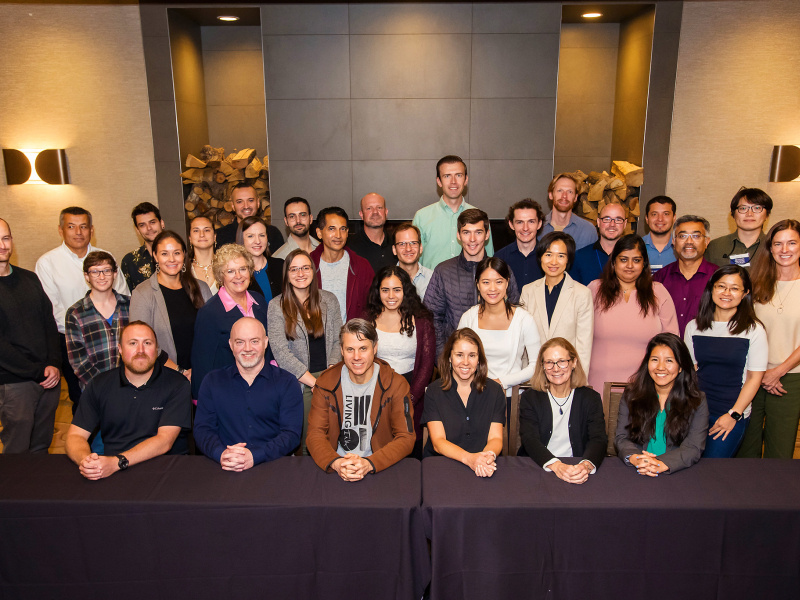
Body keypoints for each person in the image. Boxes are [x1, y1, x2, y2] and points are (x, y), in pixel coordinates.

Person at [65, 321, 192, 479]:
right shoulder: (99, 385)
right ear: (120, 349)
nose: (141, 350)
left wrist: (117, 462)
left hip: (165, 472)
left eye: (147, 343)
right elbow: (75, 436)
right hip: (113, 473)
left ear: (156, 349)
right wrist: (87, 462)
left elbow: (164, 441)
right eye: (133, 343)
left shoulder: (177, 384)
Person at [35, 207, 129, 413]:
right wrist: (81, 325)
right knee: (83, 398)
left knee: (126, 393)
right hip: (70, 339)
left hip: (116, 334)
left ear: (91, 230)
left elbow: (123, 295)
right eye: (71, 226)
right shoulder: (47, 263)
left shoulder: (105, 257)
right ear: (60, 230)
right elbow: (51, 308)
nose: (78, 232)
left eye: (83, 226)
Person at [306, 319, 415, 480]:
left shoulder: (396, 384)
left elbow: (406, 437)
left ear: (375, 348)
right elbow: (315, 434)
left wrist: (370, 463)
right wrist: (336, 462)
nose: (356, 357)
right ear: (341, 350)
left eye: (363, 348)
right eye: (350, 349)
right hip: (337, 468)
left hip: (380, 467)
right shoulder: (326, 383)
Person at [194, 317, 303, 469]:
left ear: (265, 342)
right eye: (240, 342)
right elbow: (203, 429)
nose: (247, 348)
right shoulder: (212, 381)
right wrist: (221, 454)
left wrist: (255, 456)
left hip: (273, 466)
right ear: (231, 345)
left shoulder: (287, 382)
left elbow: (291, 434)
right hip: (226, 466)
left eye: (254, 341)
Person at [684, 266, 767, 457]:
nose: (727, 293)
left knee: (714, 468)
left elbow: (754, 378)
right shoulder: (694, 327)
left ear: (745, 293)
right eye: (721, 286)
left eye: (735, 288)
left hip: (729, 414)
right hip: (696, 412)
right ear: (711, 288)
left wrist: (734, 415)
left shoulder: (753, 330)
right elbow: (691, 372)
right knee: (688, 465)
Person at [267, 249, 342, 454]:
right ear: (287, 274)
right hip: (300, 382)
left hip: (330, 376)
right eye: (294, 269)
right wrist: (315, 384)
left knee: (334, 437)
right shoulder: (276, 306)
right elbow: (280, 352)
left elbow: (338, 339)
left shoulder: (329, 300)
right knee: (309, 442)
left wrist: (329, 376)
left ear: (313, 271)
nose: (300, 273)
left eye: (305, 268)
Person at [738, 220, 800, 459]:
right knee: (745, 448)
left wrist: (777, 372)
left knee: (780, 451)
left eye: (792, 243)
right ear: (770, 248)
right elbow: (743, 329)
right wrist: (761, 372)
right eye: (778, 244)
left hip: (790, 379)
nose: (785, 249)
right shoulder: (755, 282)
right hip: (752, 374)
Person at [587, 234, 679, 395]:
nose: (629, 265)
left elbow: (671, 343)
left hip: (645, 387)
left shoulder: (658, 292)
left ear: (644, 264)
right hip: (597, 385)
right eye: (623, 259)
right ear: (613, 262)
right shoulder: (594, 290)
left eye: (636, 260)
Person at [0, 218, 61, 454]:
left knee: (41, 448)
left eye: (6, 238)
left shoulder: (30, 279)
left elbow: (49, 323)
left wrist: (54, 364)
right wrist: (37, 371)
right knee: (17, 452)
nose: (2, 245)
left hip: (48, 378)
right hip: (14, 383)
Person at [425, 208, 520, 357]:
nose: (472, 239)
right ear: (458, 235)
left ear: (487, 235)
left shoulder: (502, 270)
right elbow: (432, 318)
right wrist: (444, 358)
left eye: (478, 232)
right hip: (456, 359)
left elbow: (514, 312)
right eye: (466, 232)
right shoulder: (443, 271)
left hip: (495, 357)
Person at [364, 266, 435, 458]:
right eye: (385, 290)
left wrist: (409, 399)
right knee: (378, 450)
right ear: (377, 291)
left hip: (412, 391)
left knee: (409, 449)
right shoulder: (367, 319)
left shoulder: (422, 321)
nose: (391, 296)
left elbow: (427, 366)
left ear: (406, 291)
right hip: (375, 392)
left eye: (397, 289)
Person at [615, 332, 709, 475]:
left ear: (681, 366)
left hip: (676, 471)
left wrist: (661, 463)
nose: (660, 367)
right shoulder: (631, 395)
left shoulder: (697, 400)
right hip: (637, 469)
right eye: (655, 359)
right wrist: (636, 458)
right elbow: (621, 438)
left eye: (669, 361)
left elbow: (693, 446)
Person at [518, 338, 607, 483]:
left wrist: (585, 466)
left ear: (574, 363)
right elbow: (530, 439)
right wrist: (557, 466)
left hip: (577, 466)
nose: (556, 368)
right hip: (538, 466)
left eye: (562, 361)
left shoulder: (591, 398)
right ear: (542, 366)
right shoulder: (530, 398)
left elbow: (598, 439)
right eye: (549, 362)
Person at [421, 328, 505, 477]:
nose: (465, 362)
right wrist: (470, 459)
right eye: (459, 355)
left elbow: (496, 438)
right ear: (449, 357)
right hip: (442, 466)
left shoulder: (495, 391)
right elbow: (438, 442)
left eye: (472, 355)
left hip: (483, 465)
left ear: (479, 359)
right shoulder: (434, 391)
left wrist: (486, 458)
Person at [191, 244, 271, 398]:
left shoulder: (259, 301)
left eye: (242, 269)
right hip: (228, 392)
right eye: (230, 271)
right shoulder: (209, 313)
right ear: (220, 276)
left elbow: (267, 346)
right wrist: (203, 402)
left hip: (262, 388)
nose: (238, 276)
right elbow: (202, 363)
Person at [131, 231, 212, 382]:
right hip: (164, 378)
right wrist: (179, 371)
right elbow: (141, 342)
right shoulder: (142, 293)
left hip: (203, 374)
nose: (172, 259)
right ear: (155, 256)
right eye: (164, 254)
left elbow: (213, 332)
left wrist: (199, 369)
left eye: (177, 253)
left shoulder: (202, 288)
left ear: (184, 255)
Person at [457, 257, 540, 398]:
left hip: (511, 397)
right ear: (477, 284)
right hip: (474, 395)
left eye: (499, 282)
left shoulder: (524, 319)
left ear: (507, 283)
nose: (492, 288)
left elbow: (536, 365)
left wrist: (501, 382)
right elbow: (456, 358)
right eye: (486, 282)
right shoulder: (468, 317)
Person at [519, 232, 594, 371]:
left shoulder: (582, 294)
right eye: (548, 254)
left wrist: (579, 379)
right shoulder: (528, 291)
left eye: (561, 256)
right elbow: (522, 340)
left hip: (566, 373)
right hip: (533, 373)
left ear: (568, 260)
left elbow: (584, 345)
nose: (553, 262)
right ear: (540, 257)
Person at [412, 155, 494, 270]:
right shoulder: (422, 217)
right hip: (431, 281)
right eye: (447, 176)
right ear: (439, 181)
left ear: (466, 180)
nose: (453, 182)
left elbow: (489, 260)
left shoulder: (479, 217)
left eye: (458, 175)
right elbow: (413, 262)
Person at [65, 252, 130, 389]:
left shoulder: (130, 305)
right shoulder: (75, 313)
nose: (101, 276)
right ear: (86, 276)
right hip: (95, 389)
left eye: (106, 270)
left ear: (115, 273)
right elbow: (78, 361)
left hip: (130, 386)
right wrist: (105, 387)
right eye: (95, 272)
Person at [654, 215, 718, 336]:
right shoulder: (660, 278)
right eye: (682, 236)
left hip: (704, 345)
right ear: (674, 241)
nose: (689, 242)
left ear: (706, 242)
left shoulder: (718, 278)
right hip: (668, 345)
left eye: (696, 236)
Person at [310, 206, 374, 322]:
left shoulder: (362, 266)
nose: (338, 235)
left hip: (353, 332)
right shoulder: (308, 265)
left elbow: (373, 306)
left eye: (343, 229)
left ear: (347, 232)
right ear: (319, 233)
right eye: (332, 229)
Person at [706, 188, 773, 268]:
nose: (749, 214)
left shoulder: (775, 246)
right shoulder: (715, 246)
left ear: (767, 215)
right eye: (743, 208)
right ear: (733, 214)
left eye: (757, 208)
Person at [215, 183, 284, 252]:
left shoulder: (272, 233)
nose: (246, 206)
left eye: (250, 200)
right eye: (239, 202)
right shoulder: (220, 236)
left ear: (258, 203)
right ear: (233, 206)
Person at [570, 202, 627, 285]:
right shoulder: (579, 257)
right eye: (607, 219)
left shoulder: (632, 259)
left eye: (618, 220)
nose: (612, 224)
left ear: (625, 224)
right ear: (598, 222)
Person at [494, 198, 545, 288]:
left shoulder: (549, 257)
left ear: (539, 224)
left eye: (531, 222)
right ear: (511, 224)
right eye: (520, 222)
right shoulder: (500, 258)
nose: (525, 228)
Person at [540, 173, 598, 250]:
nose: (564, 196)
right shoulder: (538, 228)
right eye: (560, 191)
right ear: (551, 195)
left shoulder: (588, 230)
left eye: (570, 192)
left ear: (575, 197)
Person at [120, 202, 164, 291]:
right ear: (137, 230)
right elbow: (128, 296)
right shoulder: (129, 261)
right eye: (142, 225)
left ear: (162, 223)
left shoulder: (178, 254)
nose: (149, 228)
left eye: (152, 222)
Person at [240, 216, 284, 302]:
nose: (257, 241)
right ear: (241, 239)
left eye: (262, 235)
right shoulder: (236, 273)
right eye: (250, 236)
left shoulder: (281, 265)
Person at [348, 193, 395, 272]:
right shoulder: (349, 248)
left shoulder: (397, 244)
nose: (375, 212)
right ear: (361, 214)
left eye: (379, 207)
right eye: (369, 208)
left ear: (386, 212)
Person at [392, 222, 433, 300]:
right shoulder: (386, 280)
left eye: (413, 243)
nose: (408, 249)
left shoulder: (433, 279)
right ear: (394, 250)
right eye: (402, 244)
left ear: (420, 248)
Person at [642, 195, 677, 272]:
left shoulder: (682, 248)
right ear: (647, 218)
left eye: (666, 214)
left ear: (674, 218)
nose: (660, 219)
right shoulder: (636, 246)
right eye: (654, 214)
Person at [188, 215, 217, 293]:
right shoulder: (184, 269)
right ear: (190, 238)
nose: (202, 235)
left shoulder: (226, 266)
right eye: (196, 231)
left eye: (207, 230)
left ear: (214, 237)